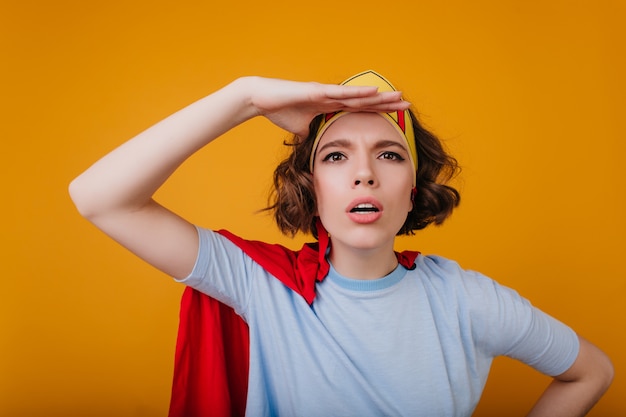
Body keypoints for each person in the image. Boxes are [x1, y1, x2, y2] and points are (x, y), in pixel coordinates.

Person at [69, 70, 613, 416]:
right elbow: (100, 197)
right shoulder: (259, 285)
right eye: (336, 156)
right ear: (312, 189)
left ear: (412, 192)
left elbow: (593, 371)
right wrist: (246, 97)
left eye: (389, 154)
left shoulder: (466, 300)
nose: (363, 174)